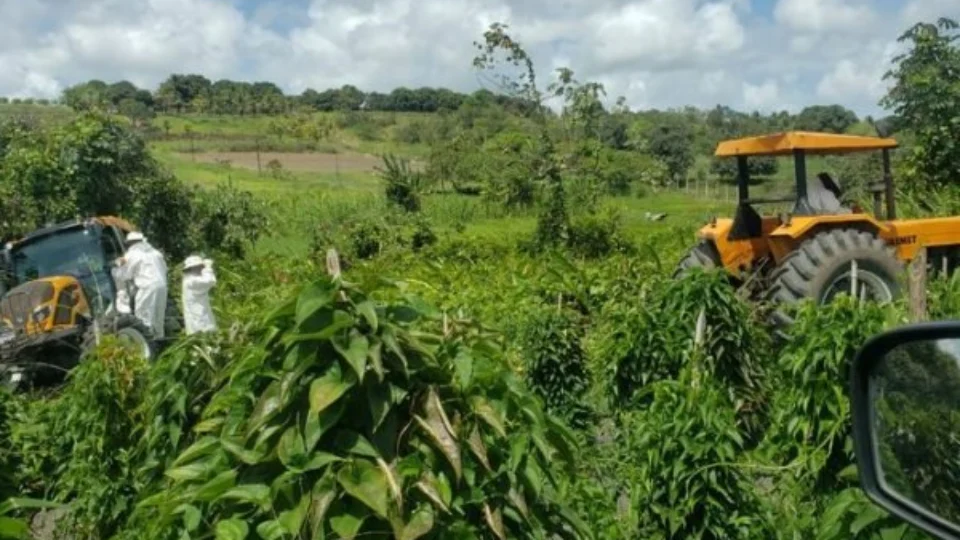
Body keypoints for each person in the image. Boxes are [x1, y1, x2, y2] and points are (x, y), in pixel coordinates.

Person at [114, 231, 169, 339]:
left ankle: (147, 343)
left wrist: (115, 269)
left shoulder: (132, 254)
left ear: (130, 243)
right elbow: (165, 269)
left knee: (143, 317)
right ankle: (159, 341)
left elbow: (125, 275)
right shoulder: (155, 253)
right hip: (162, 286)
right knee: (158, 316)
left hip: (147, 287)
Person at [181, 255, 217, 335]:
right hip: (200, 323)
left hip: (199, 321)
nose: (201, 269)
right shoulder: (192, 281)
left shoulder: (189, 279)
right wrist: (208, 268)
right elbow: (210, 281)